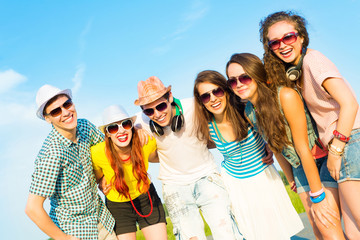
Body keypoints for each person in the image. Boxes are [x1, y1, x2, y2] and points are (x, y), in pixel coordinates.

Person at [259, 11, 360, 239]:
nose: (282, 45)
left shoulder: (313, 60)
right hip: (345, 144)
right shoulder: (298, 70)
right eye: (275, 42)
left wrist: (335, 151)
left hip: (349, 141)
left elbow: (350, 104)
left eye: (289, 37)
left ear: (302, 37)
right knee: (353, 231)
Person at [226, 53, 345, 239]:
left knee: (328, 226)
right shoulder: (250, 111)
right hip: (300, 169)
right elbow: (275, 145)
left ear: (257, 76)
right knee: (318, 231)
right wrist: (290, 177)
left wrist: (318, 196)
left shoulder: (285, 96)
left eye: (244, 77)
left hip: (321, 160)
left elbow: (302, 148)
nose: (239, 84)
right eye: (232, 81)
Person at [193, 70, 303, 240]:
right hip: (236, 185)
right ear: (201, 102)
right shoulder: (208, 128)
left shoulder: (246, 110)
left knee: (280, 232)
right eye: (205, 96)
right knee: (254, 234)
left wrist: (268, 145)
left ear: (226, 90)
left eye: (217, 91)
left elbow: (271, 130)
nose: (213, 98)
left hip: (264, 176)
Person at [134, 76, 245, 240]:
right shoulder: (141, 121)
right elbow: (117, 130)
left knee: (227, 233)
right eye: (149, 111)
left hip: (208, 178)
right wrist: (136, 130)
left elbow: (229, 112)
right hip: (174, 187)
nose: (157, 114)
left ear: (170, 97)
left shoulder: (194, 106)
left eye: (161, 106)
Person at [25, 84, 116, 240]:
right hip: (75, 231)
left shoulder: (85, 127)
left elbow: (107, 148)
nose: (66, 112)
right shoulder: (51, 154)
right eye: (56, 111)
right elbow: (32, 208)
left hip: (102, 220)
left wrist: (102, 177)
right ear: (48, 119)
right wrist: (64, 238)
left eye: (67, 104)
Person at [90, 104, 167, 240]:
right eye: (113, 128)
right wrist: (101, 181)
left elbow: (163, 154)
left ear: (131, 125)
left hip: (147, 198)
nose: (121, 131)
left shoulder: (145, 142)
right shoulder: (97, 153)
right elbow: (97, 177)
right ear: (107, 133)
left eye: (125, 125)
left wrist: (141, 128)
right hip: (118, 207)